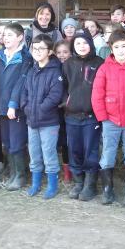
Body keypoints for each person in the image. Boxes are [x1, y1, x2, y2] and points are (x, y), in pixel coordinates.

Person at [92, 30, 125, 207]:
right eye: (117, 47)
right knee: (107, 155)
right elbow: (97, 95)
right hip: (110, 121)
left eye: (124, 46)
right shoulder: (104, 68)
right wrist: (103, 117)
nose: (121, 50)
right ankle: (108, 190)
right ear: (111, 48)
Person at [62, 32, 104, 201]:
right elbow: (63, 87)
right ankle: (78, 181)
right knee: (74, 149)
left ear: (90, 44)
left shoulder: (99, 63)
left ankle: (90, 184)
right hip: (71, 115)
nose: (81, 46)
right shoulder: (68, 64)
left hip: (91, 116)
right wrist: (66, 102)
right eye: (77, 43)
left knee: (91, 150)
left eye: (84, 43)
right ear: (73, 46)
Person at [21, 35, 64, 199]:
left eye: (41, 48)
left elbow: (55, 96)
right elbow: (24, 93)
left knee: (48, 152)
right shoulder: (32, 71)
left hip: (49, 122)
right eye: (34, 48)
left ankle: (52, 185)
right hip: (31, 121)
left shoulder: (55, 72)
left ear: (50, 51)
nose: (37, 51)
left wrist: (38, 109)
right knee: (34, 152)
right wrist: (26, 107)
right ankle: (36, 183)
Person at [0, 22, 33, 191]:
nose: (6, 38)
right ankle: (12, 173)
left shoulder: (25, 58)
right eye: (4, 35)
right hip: (1, 106)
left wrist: (13, 104)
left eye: (10, 35)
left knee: (17, 141)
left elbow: (21, 83)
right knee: (7, 141)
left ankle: (20, 176)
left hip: (15, 108)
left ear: (20, 37)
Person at [53, 39, 72, 182]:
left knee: (67, 140)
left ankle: (68, 170)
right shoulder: (53, 67)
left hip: (69, 109)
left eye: (65, 52)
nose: (62, 55)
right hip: (55, 108)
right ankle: (54, 169)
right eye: (58, 52)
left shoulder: (73, 67)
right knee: (55, 139)